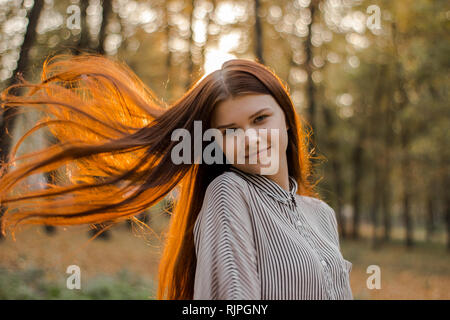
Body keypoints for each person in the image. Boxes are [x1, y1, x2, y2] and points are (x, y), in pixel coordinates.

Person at [0, 53, 352, 299]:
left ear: (285, 117)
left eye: (260, 119)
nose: (250, 139)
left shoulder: (320, 215)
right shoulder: (230, 194)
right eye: (230, 130)